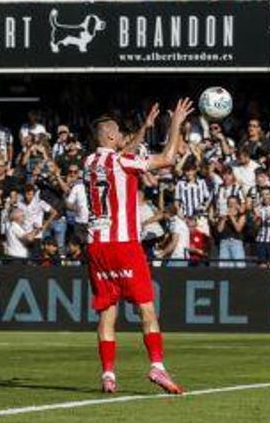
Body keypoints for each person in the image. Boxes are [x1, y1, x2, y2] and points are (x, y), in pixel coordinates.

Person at [83, 99, 193, 396]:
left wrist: (144, 128)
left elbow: (124, 149)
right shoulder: (120, 161)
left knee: (107, 312)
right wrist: (175, 124)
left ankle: (108, 374)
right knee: (147, 309)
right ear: (109, 136)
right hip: (124, 245)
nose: (122, 137)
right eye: (118, 133)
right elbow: (168, 159)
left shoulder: (90, 163)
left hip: (96, 248)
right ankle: (157, 366)